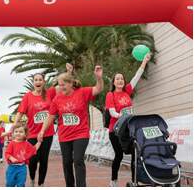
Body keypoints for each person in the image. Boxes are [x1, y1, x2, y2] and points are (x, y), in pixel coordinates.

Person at [38, 65, 104, 187]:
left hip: (81, 133)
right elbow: (50, 116)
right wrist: (42, 131)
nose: (60, 87)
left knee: (78, 160)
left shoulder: (82, 92)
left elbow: (98, 89)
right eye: (59, 84)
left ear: (70, 84)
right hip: (64, 136)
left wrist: (99, 78)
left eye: (63, 84)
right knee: (67, 162)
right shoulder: (57, 99)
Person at [14, 63, 74, 187]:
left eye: (40, 79)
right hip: (31, 133)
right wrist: (14, 127)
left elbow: (63, 83)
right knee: (33, 159)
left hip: (47, 132)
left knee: (44, 159)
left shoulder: (50, 93)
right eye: (36, 80)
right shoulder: (28, 97)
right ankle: (32, 180)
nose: (38, 82)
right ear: (33, 82)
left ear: (43, 82)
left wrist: (68, 72)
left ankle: (41, 184)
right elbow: (20, 112)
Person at [105, 53, 151, 187]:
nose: (120, 80)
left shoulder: (127, 91)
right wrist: (124, 116)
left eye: (122, 79)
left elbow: (137, 76)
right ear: (113, 82)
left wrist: (144, 61)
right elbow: (112, 112)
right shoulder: (110, 94)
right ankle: (113, 181)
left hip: (129, 130)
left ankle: (134, 180)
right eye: (117, 79)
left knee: (135, 155)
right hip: (115, 131)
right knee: (119, 155)